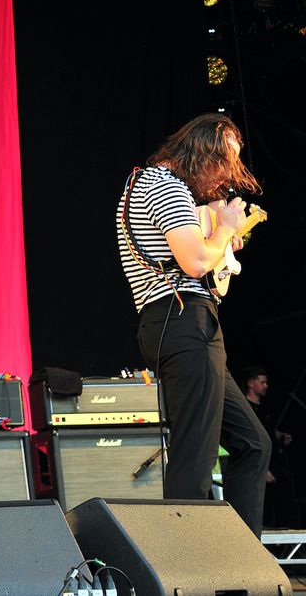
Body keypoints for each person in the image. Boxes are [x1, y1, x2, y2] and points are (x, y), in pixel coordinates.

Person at [116, 113, 269, 536]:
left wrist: (220, 240)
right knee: (194, 458)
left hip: (174, 322)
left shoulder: (143, 184)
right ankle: (188, 567)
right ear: (204, 152)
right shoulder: (166, 186)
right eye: (224, 162)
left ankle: (239, 557)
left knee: (254, 444)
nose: (224, 175)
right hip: (183, 322)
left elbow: (197, 263)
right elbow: (196, 261)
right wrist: (223, 228)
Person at [243, 366, 299, 528]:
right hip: (261, 469)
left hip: (277, 466)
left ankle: (291, 547)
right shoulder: (246, 409)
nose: (266, 385)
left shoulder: (265, 409)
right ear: (251, 384)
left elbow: (267, 432)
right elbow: (250, 440)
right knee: (267, 513)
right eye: (262, 382)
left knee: (288, 508)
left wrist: (280, 436)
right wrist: (263, 468)